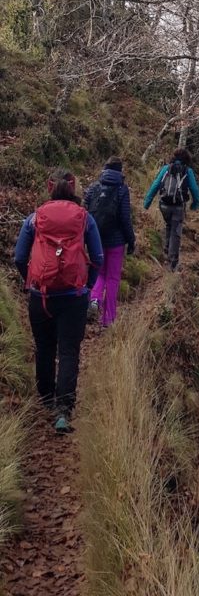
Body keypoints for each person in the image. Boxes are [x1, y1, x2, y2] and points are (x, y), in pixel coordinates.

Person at [14, 167, 103, 434]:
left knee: (44, 347)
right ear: (73, 188)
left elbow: (19, 257)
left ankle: (45, 399)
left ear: (50, 187)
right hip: (73, 297)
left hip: (40, 296)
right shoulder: (85, 218)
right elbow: (98, 258)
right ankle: (63, 411)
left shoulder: (34, 218)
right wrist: (86, 285)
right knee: (68, 351)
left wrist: (30, 281)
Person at [83, 157, 136, 327]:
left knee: (99, 273)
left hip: (96, 240)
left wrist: (85, 238)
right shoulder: (122, 189)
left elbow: (84, 213)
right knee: (113, 278)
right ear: (120, 171)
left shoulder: (93, 187)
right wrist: (131, 240)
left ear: (105, 169)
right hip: (116, 242)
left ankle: (94, 300)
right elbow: (125, 218)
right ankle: (108, 318)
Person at [143, 148, 199, 271]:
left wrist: (147, 203)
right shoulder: (187, 171)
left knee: (169, 224)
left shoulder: (166, 169)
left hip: (164, 205)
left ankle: (167, 248)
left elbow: (155, 185)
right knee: (176, 231)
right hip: (178, 207)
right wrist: (195, 204)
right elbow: (195, 190)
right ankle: (172, 262)